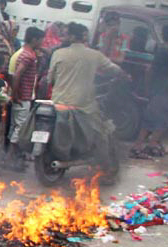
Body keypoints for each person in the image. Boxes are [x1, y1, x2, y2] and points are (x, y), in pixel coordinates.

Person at [48, 22, 127, 182]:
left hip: (57, 103)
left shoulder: (58, 53)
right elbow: (113, 69)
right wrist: (123, 74)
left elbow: (50, 79)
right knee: (102, 133)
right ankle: (106, 170)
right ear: (84, 37)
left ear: (69, 36)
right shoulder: (94, 55)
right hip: (83, 106)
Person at [132, 23, 168, 159]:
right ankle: (144, 145)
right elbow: (150, 70)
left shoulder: (166, 51)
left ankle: (146, 145)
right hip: (161, 92)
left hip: (161, 91)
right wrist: (151, 90)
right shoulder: (164, 52)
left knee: (153, 119)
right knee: (161, 120)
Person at [8, 26, 44, 165]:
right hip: (23, 97)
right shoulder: (27, 56)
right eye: (41, 40)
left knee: (16, 126)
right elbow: (17, 75)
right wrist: (16, 95)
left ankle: (12, 157)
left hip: (23, 96)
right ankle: (11, 158)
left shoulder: (26, 53)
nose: (42, 43)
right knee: (20, 128)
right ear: (34, 39)